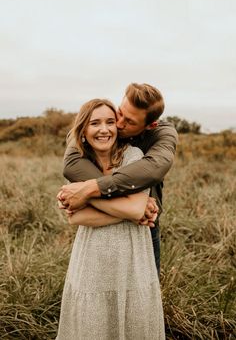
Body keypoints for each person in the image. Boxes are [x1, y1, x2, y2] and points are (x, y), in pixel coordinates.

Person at [56, 98, 165, 340]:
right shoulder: (80, 163)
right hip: (91, 257)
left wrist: (85, 194)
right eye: (95, 123)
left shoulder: (134, 156)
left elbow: (137, 208)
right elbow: (77, 218)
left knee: (134, 319)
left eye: (109, 122)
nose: (104, 129)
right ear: (84, 130)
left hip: (132, 253)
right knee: (93, 323)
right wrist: (129, 210)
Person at [58, 83, 178, 274]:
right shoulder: (106, 127)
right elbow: (72, 163)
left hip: (145, 226)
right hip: (103, 227)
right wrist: (132, 208)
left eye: (130, 122)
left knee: (143, 291)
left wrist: (90, 189)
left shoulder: (162, 134)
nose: (119, 123)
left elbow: (154, 168)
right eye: (120, 112)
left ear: (150, 125)